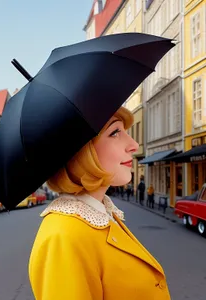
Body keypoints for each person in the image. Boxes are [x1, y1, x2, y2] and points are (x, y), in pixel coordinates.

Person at [28, 106, 171, 299]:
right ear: (80, 151)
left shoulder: (99, 213)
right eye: (115, 133)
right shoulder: (64, 236)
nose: (134, 144)